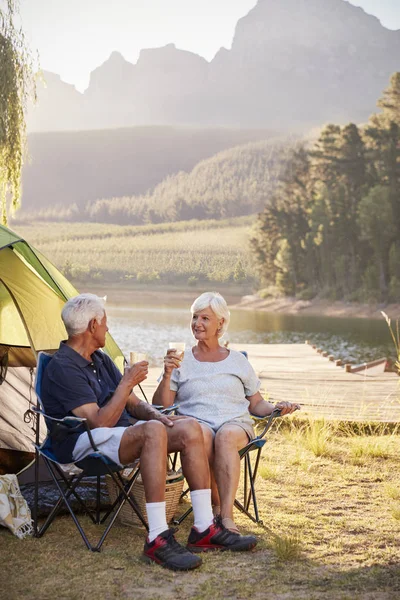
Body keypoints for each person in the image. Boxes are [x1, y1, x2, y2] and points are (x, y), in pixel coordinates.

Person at [41, 293, 257, 571]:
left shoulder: (100, 358)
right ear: (93, 325)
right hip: (81, 441)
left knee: (189, 426)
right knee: (153, 432)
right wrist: (127, 384)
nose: (108, 328)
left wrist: (158, 414)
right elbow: (98, 423)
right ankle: (157, 537)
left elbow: (131, 403)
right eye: (105, 322)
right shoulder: (64, 366)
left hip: (118, 433)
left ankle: (204, 529)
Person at [153, 291, 300, 534]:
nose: (197, 324)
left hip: (235, 425)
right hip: (195, 425)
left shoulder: (237, 361)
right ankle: (213, 509)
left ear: (220, 323)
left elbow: (256, 404)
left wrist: (276, 408)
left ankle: (226, 517)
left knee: (225, 436)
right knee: (202, 434)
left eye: (205, 319)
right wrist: (167, 373)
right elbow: (162, 406)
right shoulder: (181, 359)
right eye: (194, 317)